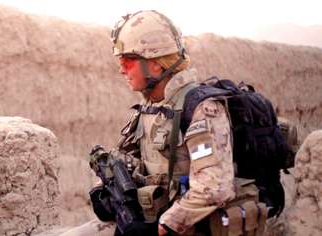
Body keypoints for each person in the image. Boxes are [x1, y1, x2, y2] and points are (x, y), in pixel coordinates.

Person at [91, 10, 236, 235]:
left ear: (155, 64)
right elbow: (126, 159)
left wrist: (161, 227)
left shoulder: (201, 110)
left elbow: (214, 187)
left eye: (127, 61)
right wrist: (106, 190)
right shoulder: (150, 108)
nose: (121, 69)